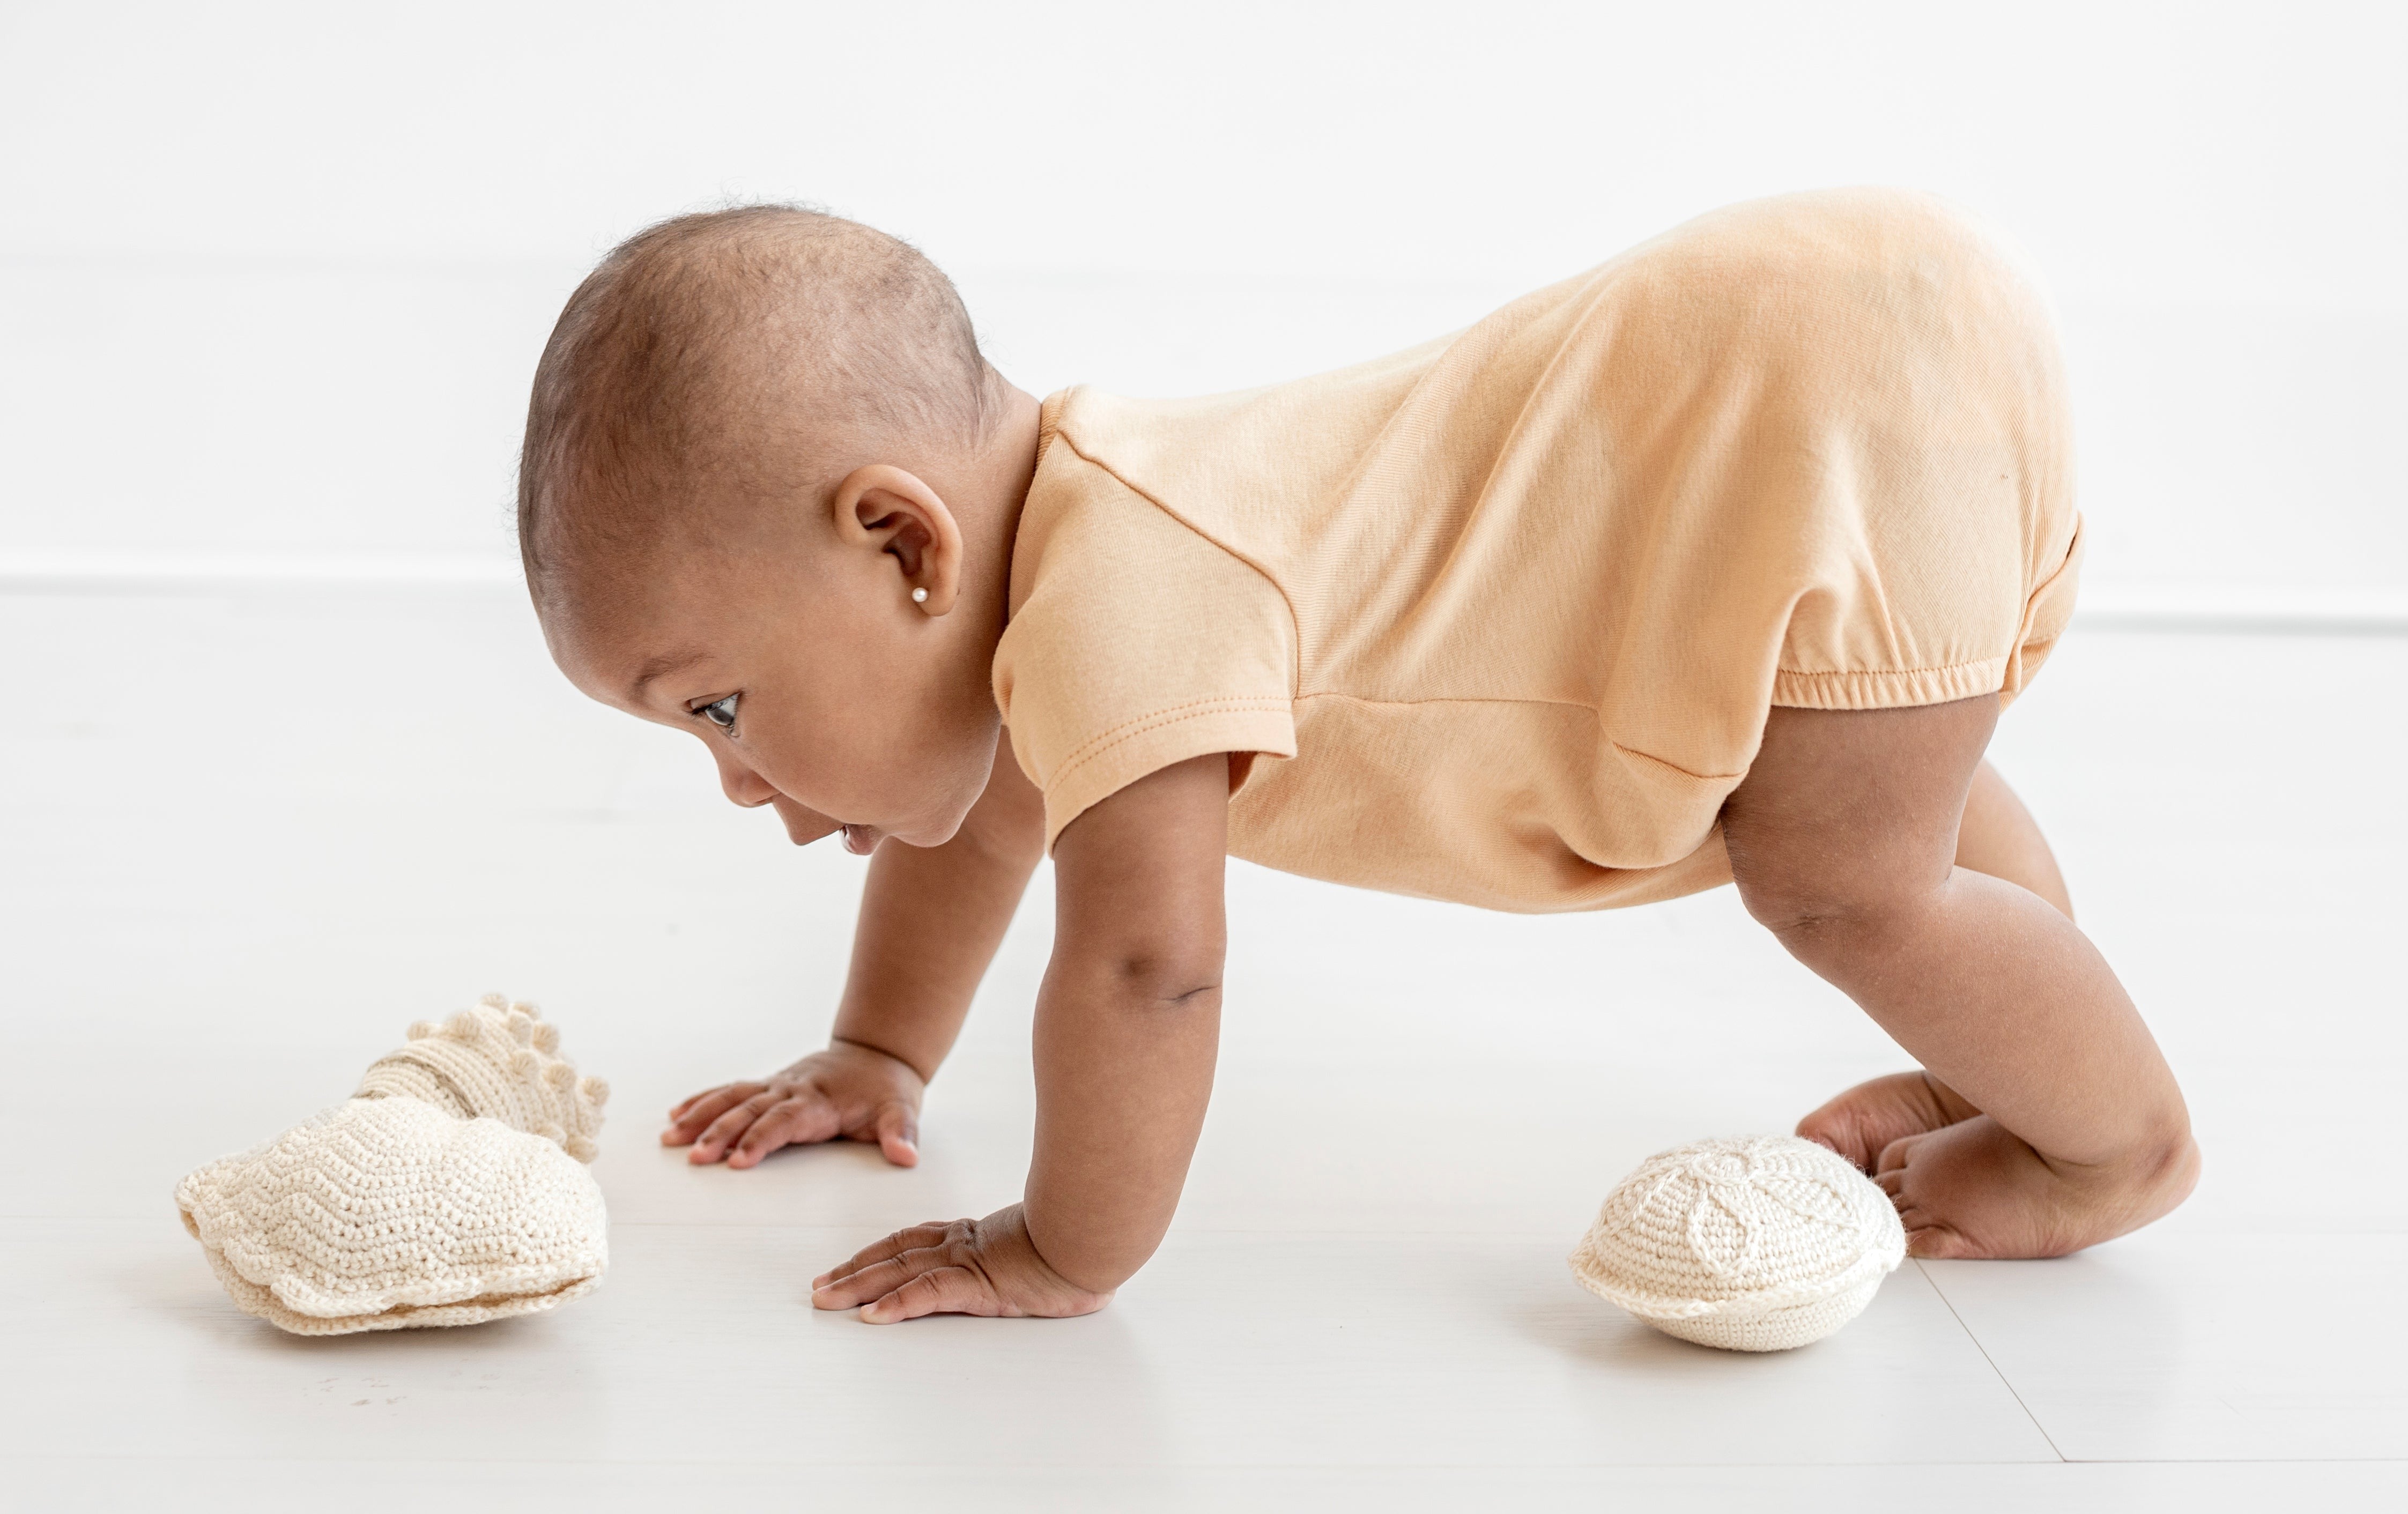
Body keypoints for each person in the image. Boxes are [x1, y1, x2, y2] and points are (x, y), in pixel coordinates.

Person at [516, 189, 2198, 1324]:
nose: (736, 783)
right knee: (1875, 794)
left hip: (1831, 386)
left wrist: (1054, 1247)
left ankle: (2109, 1146)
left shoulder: (1121, 601)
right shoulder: (1078, 571)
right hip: (1806, 384)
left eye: (718, 706)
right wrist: (878, 1052)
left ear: (902, 545)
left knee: (1846, 879)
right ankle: (2003, 1070)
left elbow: (1145, 970)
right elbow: (982, 820)